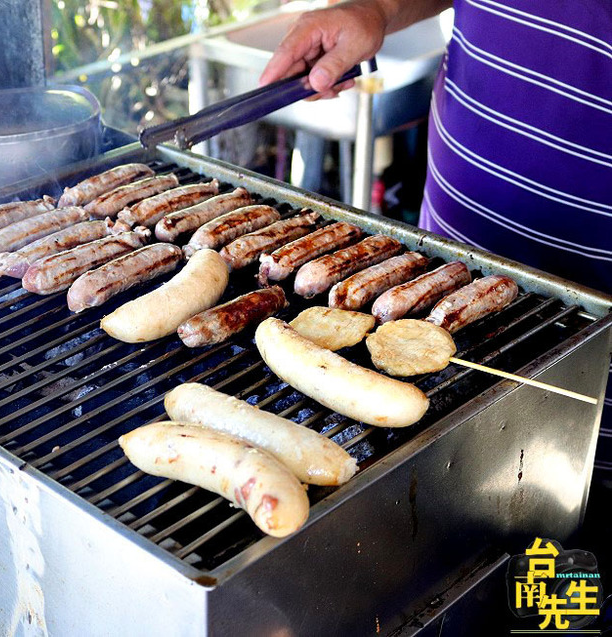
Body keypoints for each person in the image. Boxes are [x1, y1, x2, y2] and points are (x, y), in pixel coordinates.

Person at [260, 0, 612, 473]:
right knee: (444, 468)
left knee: (569, 503)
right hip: (444, 255)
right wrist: (378, 9)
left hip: (600, 329)